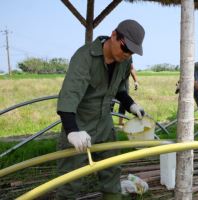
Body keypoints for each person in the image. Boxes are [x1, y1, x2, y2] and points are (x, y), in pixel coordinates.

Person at [56, 19, 145, 200]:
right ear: (113, 35)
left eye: (132, 52)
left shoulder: (125, 62)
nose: (127, 55)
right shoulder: (85, 57)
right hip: (79, 124)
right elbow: (69, 96)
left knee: (111, 172)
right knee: (70, 181)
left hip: (105, 124)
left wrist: (131, 105)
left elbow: (120, 90)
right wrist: (72, 131)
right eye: (125, 48)